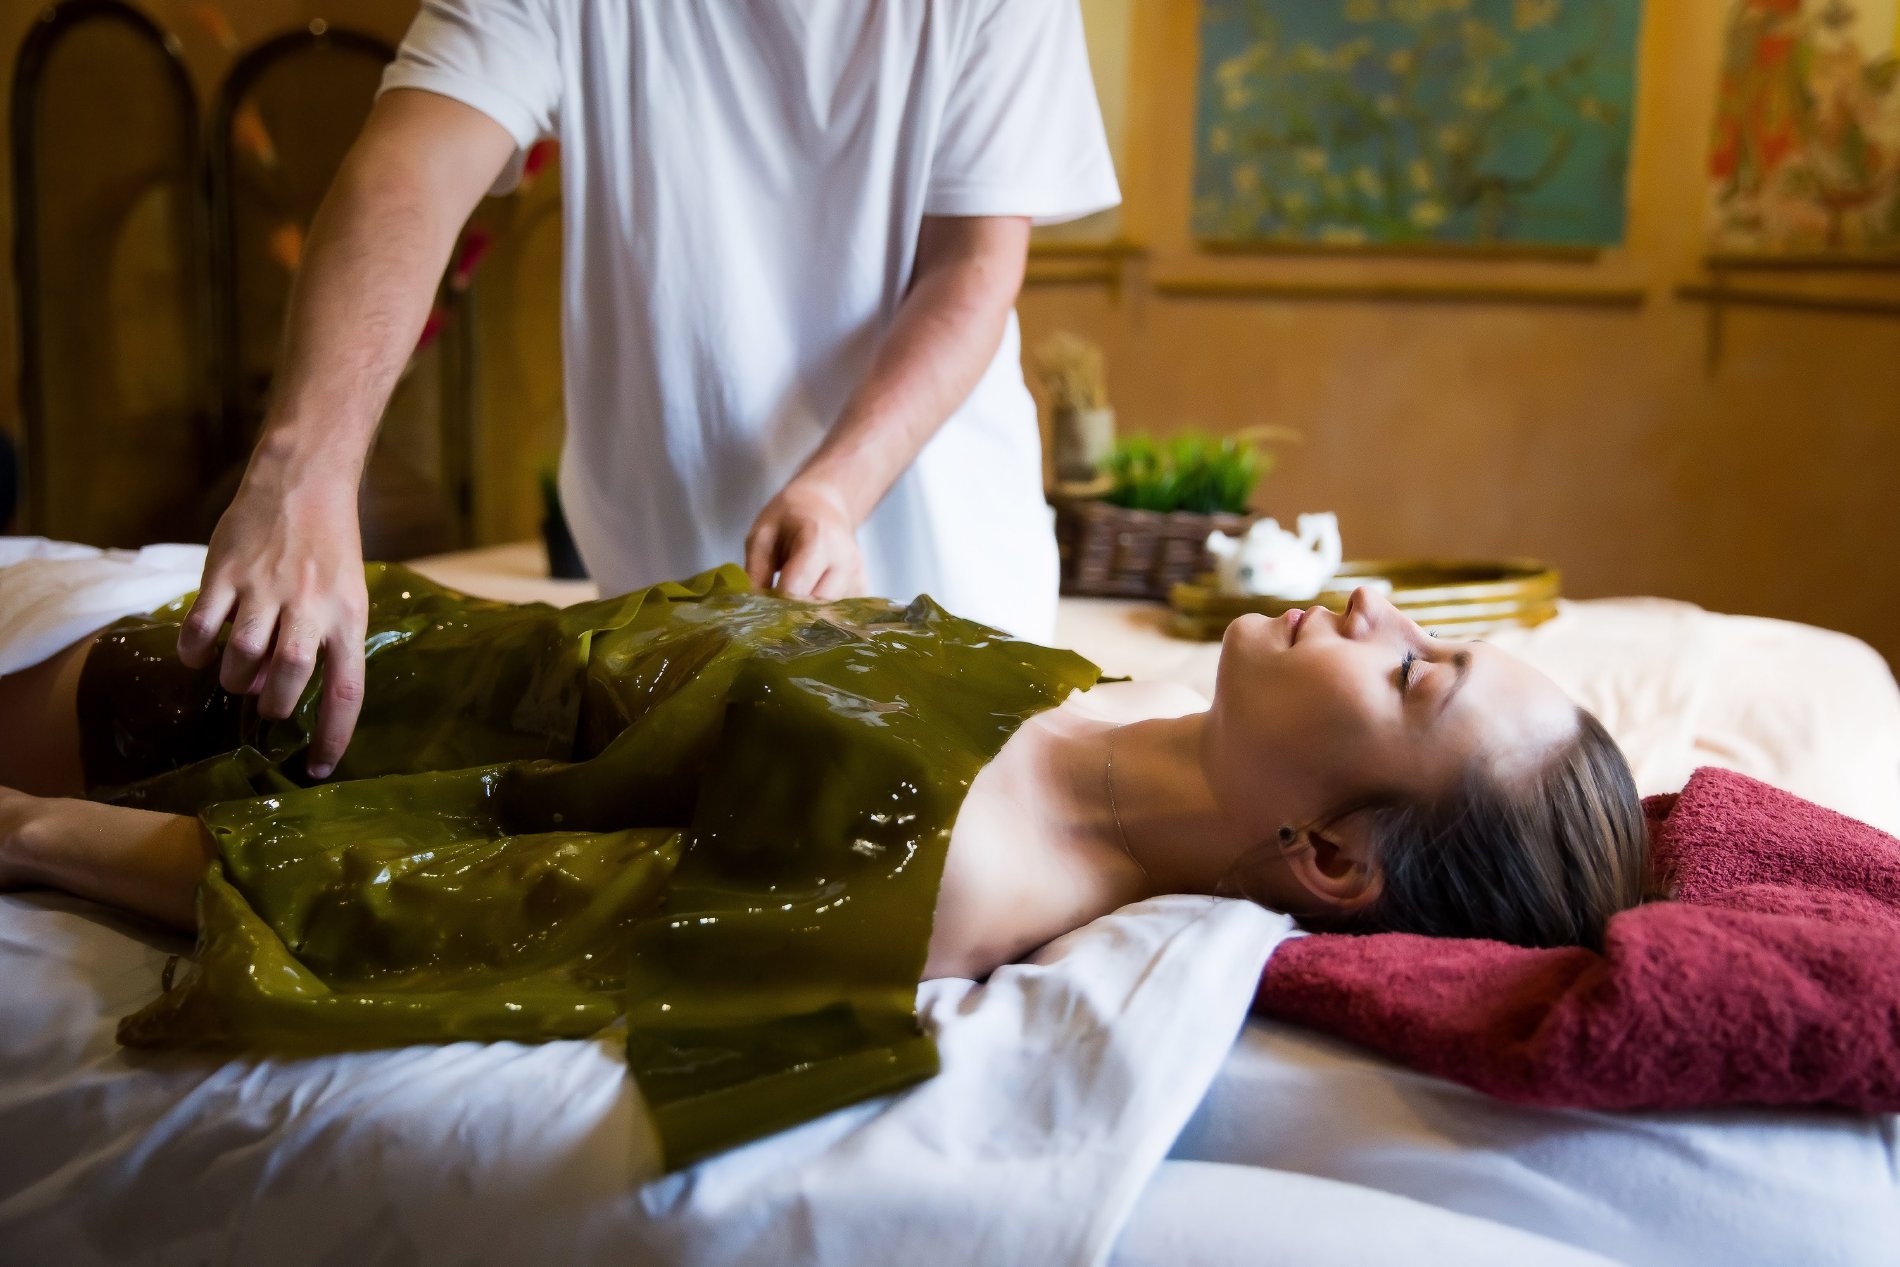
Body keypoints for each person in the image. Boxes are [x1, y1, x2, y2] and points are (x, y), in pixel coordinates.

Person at [0, 577, 1646, 1162]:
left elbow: (437, 900)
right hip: (381, 624)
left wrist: (24, 833)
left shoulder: (951, 876)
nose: (1372, 609)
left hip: (285, 719)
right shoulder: (1125, 711)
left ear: (1332, 858)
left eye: (1413, 674)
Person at [183, 1, 1121, 786]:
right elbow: (409, 172)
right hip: (664, 604)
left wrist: (837, 489)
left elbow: (972, 268)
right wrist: (303, 471)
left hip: (943, 573)